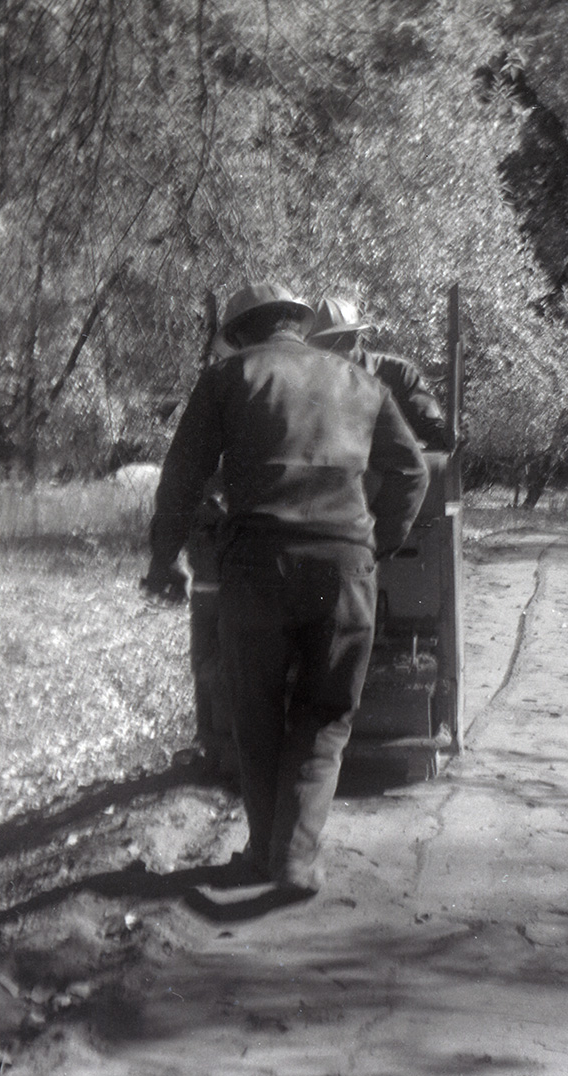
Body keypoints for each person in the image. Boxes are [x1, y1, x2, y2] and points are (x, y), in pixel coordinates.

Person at [143, 282, 429, 896]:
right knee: (325, 714)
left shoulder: (227, 378)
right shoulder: (361, 382)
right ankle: (292, 856)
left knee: (256, 711)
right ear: (296, 325)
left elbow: (183, 478)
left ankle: (267, 852)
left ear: (242, 332)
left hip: (257, 571)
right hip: (343, 570)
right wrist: (376, 544)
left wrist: (162, 562)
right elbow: (412, 470)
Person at [306, 296, 450, 451]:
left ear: (356, 338)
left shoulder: (397, 373)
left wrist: (449, 433)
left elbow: (433, 429)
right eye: (321, 346)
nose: (330, 352)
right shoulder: (307, 381)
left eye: (336, 342)